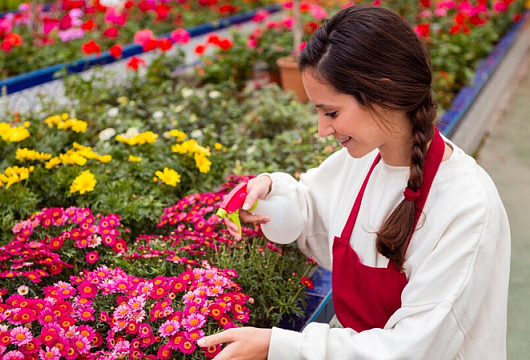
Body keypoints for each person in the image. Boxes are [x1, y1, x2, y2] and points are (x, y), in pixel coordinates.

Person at [197, 4, 511, 360]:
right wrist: (270, 195)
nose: (322, 130)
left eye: (331, 112)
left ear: (385, 92)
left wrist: (279, 345)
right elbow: (312, 210)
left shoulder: (466, 206)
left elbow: (414, 349)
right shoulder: (360, 163)